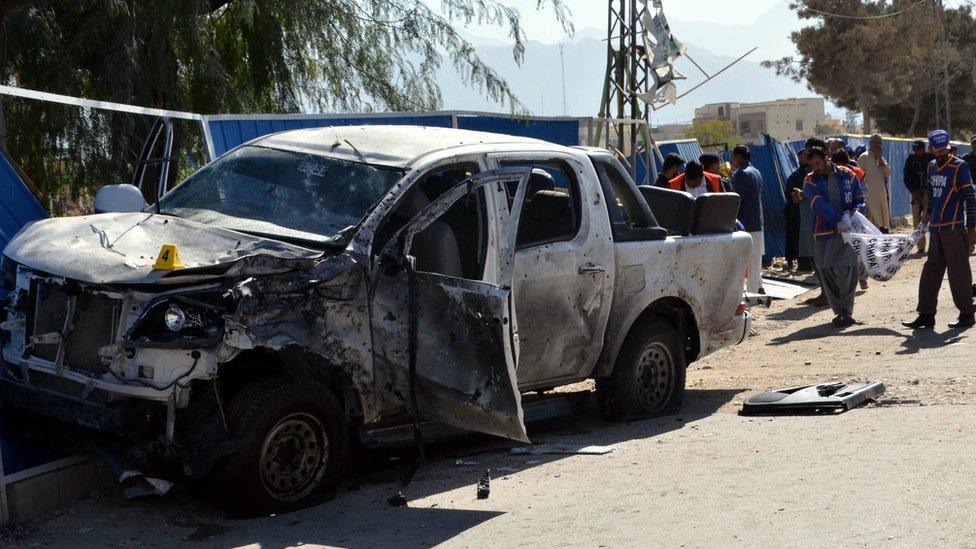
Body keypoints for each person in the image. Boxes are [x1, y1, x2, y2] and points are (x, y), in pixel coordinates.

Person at [903, 129, 976, 329]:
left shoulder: (959, 167)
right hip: (936, 228)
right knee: (931, 271)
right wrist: (926, 218)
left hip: (954, 227)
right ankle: (926, 314)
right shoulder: (932, 167)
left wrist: (972, 228)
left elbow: (970, 197)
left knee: (958, 272)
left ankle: (967, 313)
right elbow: (932, 196)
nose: (936, 151)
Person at [803, 146, 866, 328]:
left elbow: (860, 198)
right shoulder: (810, 180)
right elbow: (818, 204)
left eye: (818, 163)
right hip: (824, 232)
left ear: (826, 157)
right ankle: (838, 312)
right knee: (826, 271)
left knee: (846, 270)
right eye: (812, 164)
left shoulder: (847, 174)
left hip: (848, 232)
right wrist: (837, 220)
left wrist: (854, 215)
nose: (817, 168)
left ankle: (847, 311)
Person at [731, 144, 765, 294]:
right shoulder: (756, 171)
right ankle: (759, 289)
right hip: (757, 222)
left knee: (750, 263)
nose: (731, 160)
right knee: (756, 261)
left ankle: (752, 295)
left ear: (738, 157)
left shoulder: (742, 174)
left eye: (733, 157)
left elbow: (736, 199)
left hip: (746, 225)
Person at [857, 134, 892, 233]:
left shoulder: (880, 158)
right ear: (870, 143)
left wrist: (880, 160)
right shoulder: (863, 157)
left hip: (881, 197)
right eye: (875, 143)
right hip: (869, 198)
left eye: (879, 143)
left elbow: (888, 172)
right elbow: (858, 178)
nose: (877, 146)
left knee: (883, 224)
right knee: (872, 225)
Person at [903, 140, 932, 254]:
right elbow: (906, 178)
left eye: (918, 149)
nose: (915, 151)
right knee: (916, 220)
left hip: (928, 193)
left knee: (928, 218)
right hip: (915, 193)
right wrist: (913, 191)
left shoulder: (930, 158)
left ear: (923, 149)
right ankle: (920, 246)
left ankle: (934, 246)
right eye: (914, 149)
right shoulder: (910, 159)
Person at [784, 150, 809, 271]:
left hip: (801, 212)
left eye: (805, 156)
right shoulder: (796, 176)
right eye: (801, 157)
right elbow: (791, 197)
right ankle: (802, 263)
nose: (803, 159)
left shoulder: (808, 174)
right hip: (797, 212)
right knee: (798, 238)